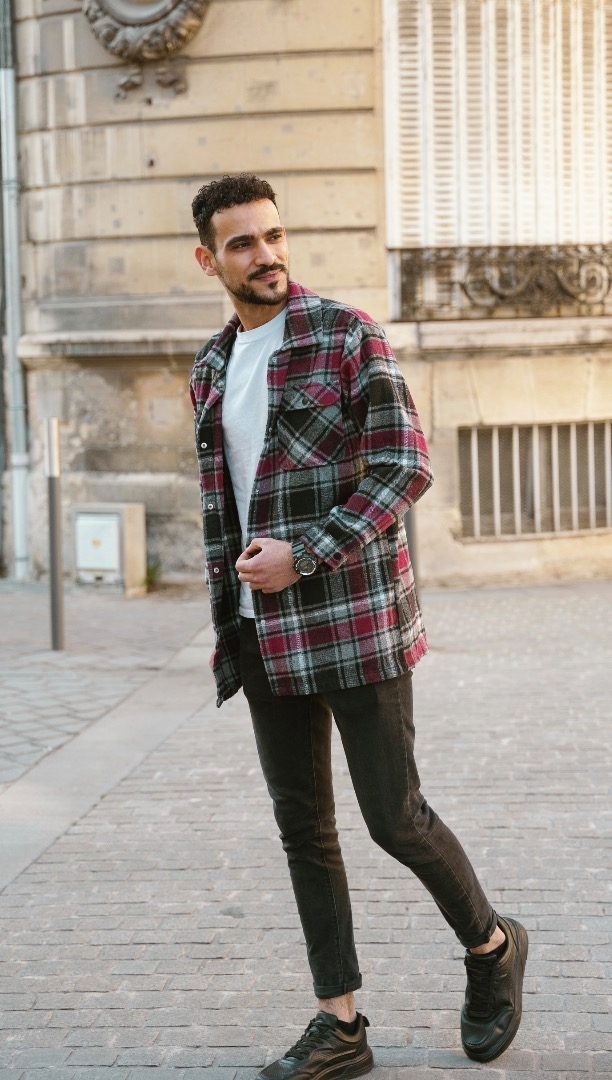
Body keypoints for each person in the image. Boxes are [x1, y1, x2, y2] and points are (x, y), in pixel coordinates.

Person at [190, 173, 528, 1079]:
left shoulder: (346, 336)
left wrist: (305, 554)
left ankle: (493, 946)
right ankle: (340, 1024)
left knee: (395, 818)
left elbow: (403, 467)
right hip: (262, 631)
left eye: (273, 235)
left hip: (351, 622)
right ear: (209, 260)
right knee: (303, 828)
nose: (266, 255)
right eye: (242, 243)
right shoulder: (212, 367)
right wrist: (236, 604)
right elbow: (225, 507)